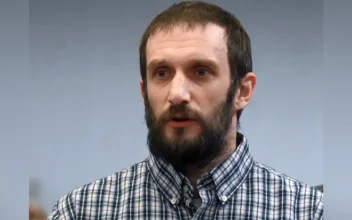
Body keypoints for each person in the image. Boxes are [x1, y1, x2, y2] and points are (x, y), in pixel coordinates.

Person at [47, 1, 323, 219]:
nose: (177, 94)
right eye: (162, 72)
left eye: (201, 71)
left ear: (243, 91)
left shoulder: (308, 211)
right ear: (144, 93)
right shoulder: (81, 211)